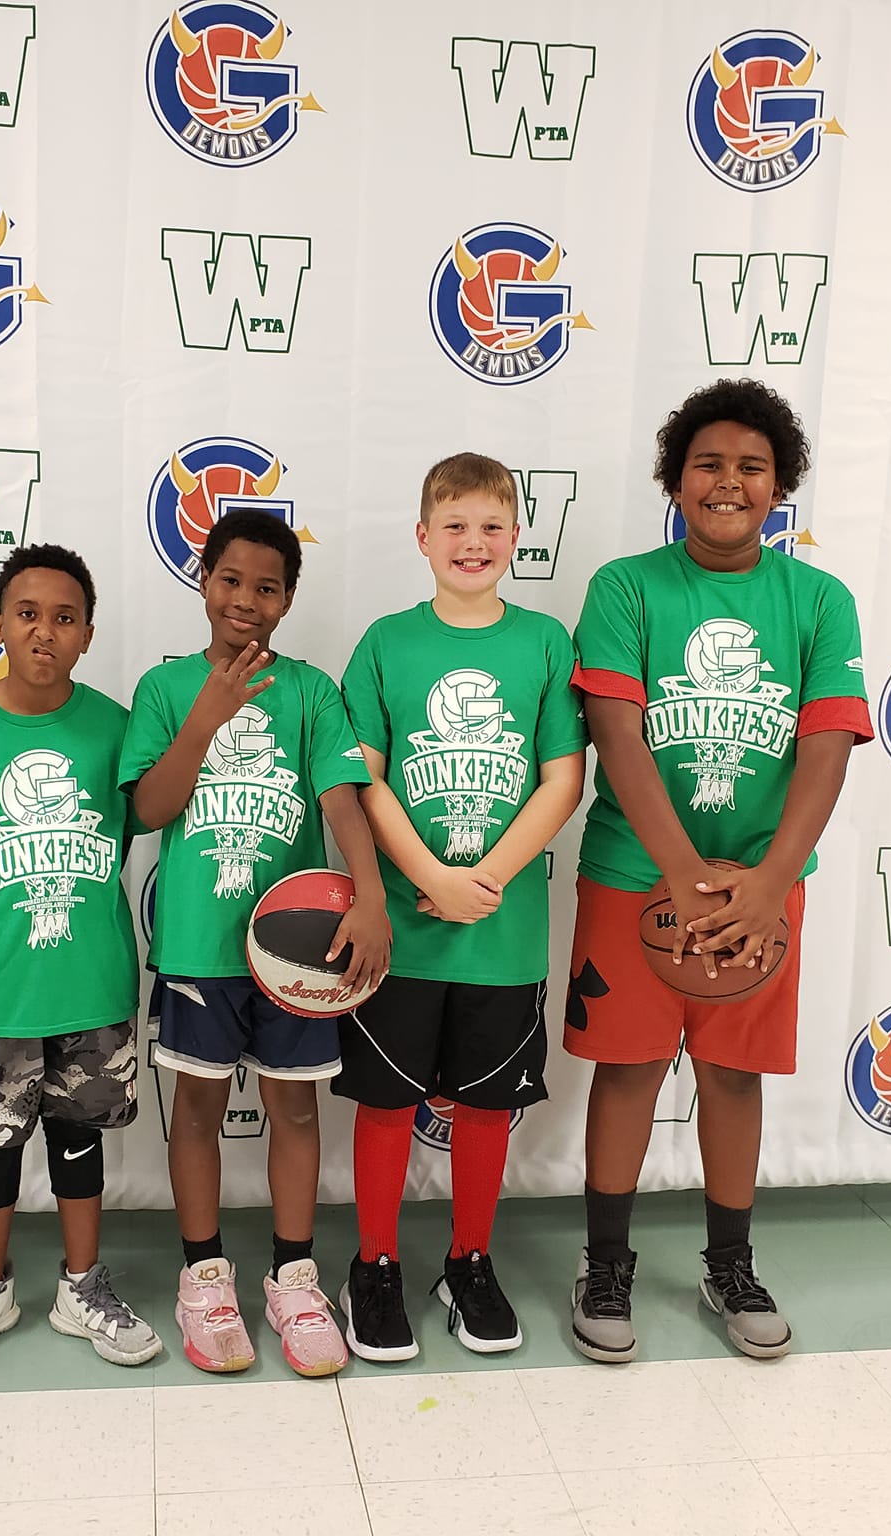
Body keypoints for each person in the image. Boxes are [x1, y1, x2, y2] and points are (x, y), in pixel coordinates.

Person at [565, 379, 872, 1363]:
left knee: (732, 1075)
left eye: (749, 466)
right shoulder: (624, 587)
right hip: (632, 875)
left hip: (760, 884)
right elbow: (615, 734)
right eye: (707, 464)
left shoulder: (819, 600)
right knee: (628, 1071)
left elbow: (825, 747)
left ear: (779, 487)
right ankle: (604, 1264)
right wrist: (681, 872)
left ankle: (727, 1262)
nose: (727, 481)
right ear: (673, 479)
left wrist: (771, 879)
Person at [122, 510, 389, 1377]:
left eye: (266, 587)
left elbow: (342, 799)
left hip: (293, 953)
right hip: (201, 944)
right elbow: (149, 810)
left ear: (286, 599)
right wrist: (205, 716)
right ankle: (203, 1275)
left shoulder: (310, 691)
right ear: (204, 582)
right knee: (195, 1108)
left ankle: (293, 1274)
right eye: (231, 580)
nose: (245, 599)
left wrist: (372, 895)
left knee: (296, 1107)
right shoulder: (166, 690)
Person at [336, 452, 587, 1360]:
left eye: (490, 526)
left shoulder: (545, 643)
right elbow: (361, 775)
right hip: (401, 939)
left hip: (501, 936)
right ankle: (373, 1265)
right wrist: (428, 878)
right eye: (454, 526)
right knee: (388, 1105)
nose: (472, 543)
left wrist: (483, 880)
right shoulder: (385, 643)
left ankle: (469, 1260)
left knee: (486, 1109)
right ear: (422, 538)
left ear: (516, 537)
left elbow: (565, 777)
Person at [0, 544, 161, 1375]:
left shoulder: (114, 725)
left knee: (79, 1136)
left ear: (87, 633)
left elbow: (133, 824)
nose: (45, 631)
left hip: (89, 979)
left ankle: (81, 1285)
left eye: (65, 617)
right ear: (0, 623)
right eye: (28, 613)